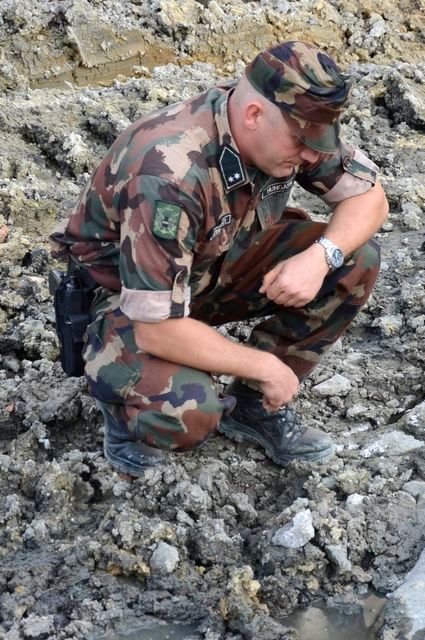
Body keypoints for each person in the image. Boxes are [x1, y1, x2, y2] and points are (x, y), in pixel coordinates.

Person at [50, 41, 388, 477]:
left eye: (317, 143)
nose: (310, 155)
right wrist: (264, 365)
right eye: (303, 142)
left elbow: (371, 199)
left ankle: (254, 407)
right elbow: (156, 328)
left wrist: (321, 257)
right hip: (129, 302)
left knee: (355, 257)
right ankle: (125, 413)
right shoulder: (168, 173)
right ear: (254, 115)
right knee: (188, 411)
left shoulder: (282, 130)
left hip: (209, 268)